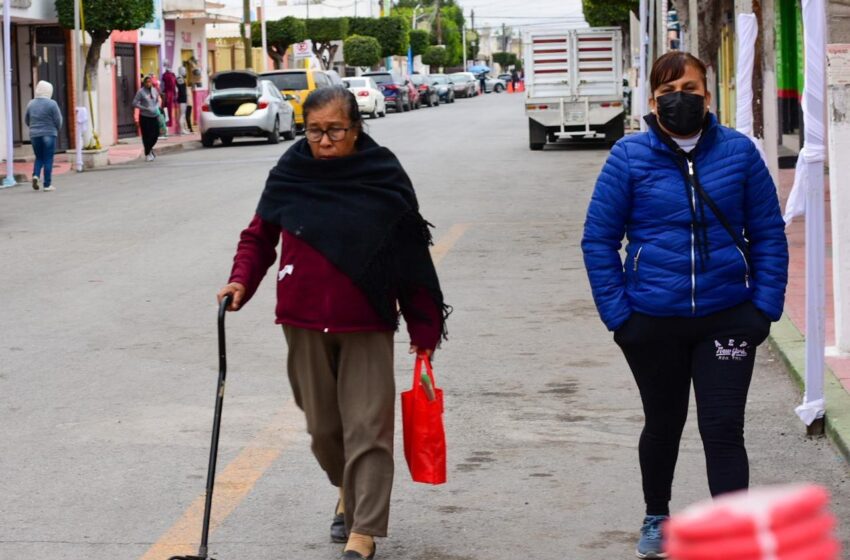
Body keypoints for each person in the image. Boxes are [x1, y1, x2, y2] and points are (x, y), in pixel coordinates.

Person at [217, 86, 449, 560]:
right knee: (324, 430)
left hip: (366, 320)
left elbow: (410, 256)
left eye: (335, 131)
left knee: (368, 427)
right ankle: (347, 487)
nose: (323, 142)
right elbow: (259, 237)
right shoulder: (290, 171)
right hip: (301, 319)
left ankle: (363, 531)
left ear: (356, 128)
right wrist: (240, 282)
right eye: (314, 131)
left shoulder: (381, 174)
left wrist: (423, 328)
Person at [581, 51, 788, 559]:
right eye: (669, 92)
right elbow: (598, 240)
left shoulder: (739, 153)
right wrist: (620, 317)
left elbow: (768, 233)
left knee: (722, 427)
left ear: (708, 96)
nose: (681, 101)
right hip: (652, 319)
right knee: (664, 421)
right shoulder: (629, 156)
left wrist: (764, 308)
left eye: (690, 90)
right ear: (652, 101)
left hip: (728, 314)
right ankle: (657, 517)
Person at [25, 80, 63, 192]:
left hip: (34, 135)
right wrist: (56, 129)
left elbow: (27, 120)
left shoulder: (31, 103)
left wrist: (33, 128)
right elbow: (58, 120)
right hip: (49, 134)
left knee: (39, 157)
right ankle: (47, 184)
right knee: (48, 158)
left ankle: (36, 175)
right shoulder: (52, 104)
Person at [133, 75, 161, 161]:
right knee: (146, 136)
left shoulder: (154, 90)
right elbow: (134, 103)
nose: (148, 83)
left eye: (150, 82)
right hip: (145, 117)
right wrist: (144, 108)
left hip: (154, 116)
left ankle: (150, 149)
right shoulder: (140, 92)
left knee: (155, 135)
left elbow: (157, 100)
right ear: (144, 83)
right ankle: (148, 153)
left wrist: (157, 107)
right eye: (146, 82)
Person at [161, 64, 178, 136]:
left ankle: (167, 126)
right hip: (169, 94)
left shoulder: (166, 75)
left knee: (166, 110)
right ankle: (167, 127)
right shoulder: (171, 76)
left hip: (167, 93)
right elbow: (173, 86)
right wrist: (174, 94)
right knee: (167, 110)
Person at [176, 66, 191, 134]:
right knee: (182, 114)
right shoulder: (180, 79)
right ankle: (182, 130)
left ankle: (183, 129)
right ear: (181, 71)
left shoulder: (181, 78)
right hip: (182, 99)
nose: (185, 72)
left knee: (183, 114)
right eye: (184, 70)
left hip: (183, 98)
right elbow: (182, 90)